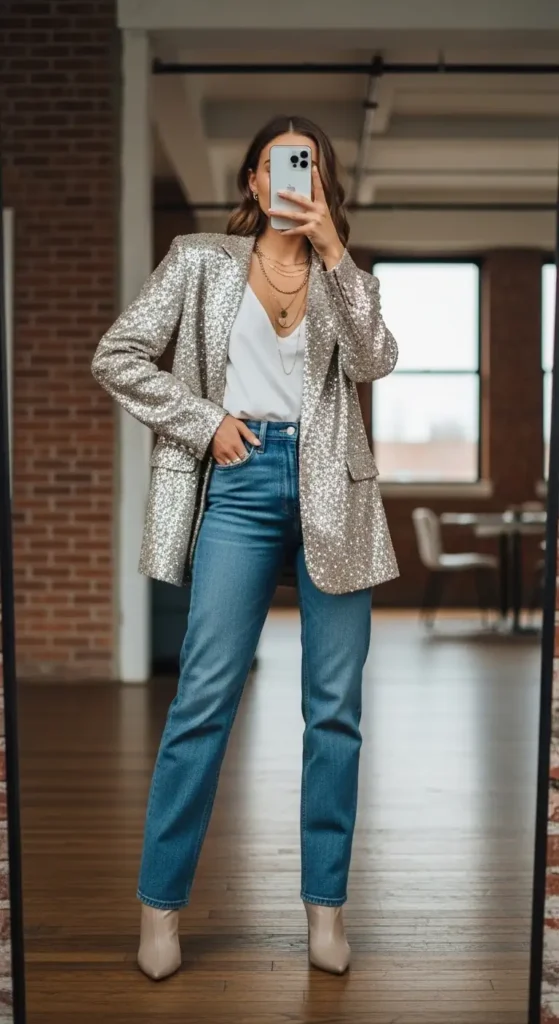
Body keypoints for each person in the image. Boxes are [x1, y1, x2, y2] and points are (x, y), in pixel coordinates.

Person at [91, 114, 399, 980]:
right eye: (275, 166)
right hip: (239, 481)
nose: (289, 180)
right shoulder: (197, 261)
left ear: (321, 183)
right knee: (203, 699)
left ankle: (324, 911)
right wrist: (204, 421)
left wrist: (334, 250)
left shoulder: (350, 279)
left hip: (332, 489)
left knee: (333, 709)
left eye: (306, 167)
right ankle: (160, 909)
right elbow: (116, 354)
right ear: (253, 184)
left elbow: (374, 361)